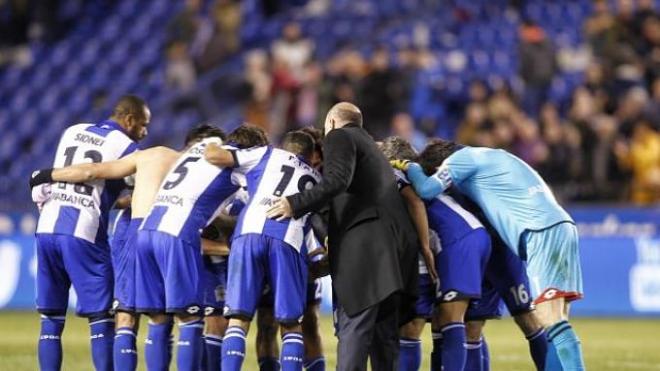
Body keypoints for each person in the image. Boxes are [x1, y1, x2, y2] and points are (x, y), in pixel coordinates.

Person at [30, 124, 231, 370]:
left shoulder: (154, 154)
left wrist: (47, 175)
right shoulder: (211, 170)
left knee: (129, 316)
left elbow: (95, 171)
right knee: (178, 317)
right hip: (170, 232)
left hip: (133, 231)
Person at [392, 140, 585, 371]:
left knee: (549, 318)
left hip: (538, 231)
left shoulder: (461, 160)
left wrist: (409, 167)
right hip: (559, 225)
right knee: (553, 317)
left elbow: (425, 189)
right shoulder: (496, 156)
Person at [265, 102, 420, 371]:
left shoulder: (340, 136)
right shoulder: (373, 149)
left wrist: (295, 203)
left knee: (354, 331)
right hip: (394, 254)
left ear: (333, 122)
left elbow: (337, 181)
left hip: (366, 251)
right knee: (384, 341)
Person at [28, 95, 150, 371]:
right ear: (129, 120)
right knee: (101, 317)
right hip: (83, 231)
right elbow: (137, 192)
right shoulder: (129, 148)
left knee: (51, 319)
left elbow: (68, 177)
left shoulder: (73, 131)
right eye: (144, 125)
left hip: (46, 228)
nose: (145, 133)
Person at [203, 131, 322, 371]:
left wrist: (211, 142)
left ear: (284, 146)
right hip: (287, 241)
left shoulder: (267, 154)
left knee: (238, 320)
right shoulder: (319, 181)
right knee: (290, 324)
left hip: (248, 234)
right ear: (311, 156)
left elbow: (215, 157)